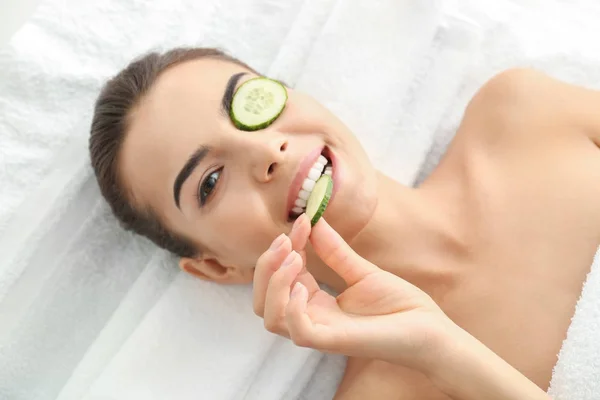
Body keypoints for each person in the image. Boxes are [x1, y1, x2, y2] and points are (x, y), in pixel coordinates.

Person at [88, 47, 600, 399]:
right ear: (217, 267)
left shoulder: (523, 114)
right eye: (210, 181)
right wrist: (441, 352)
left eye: (250, 103)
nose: (267, 148)